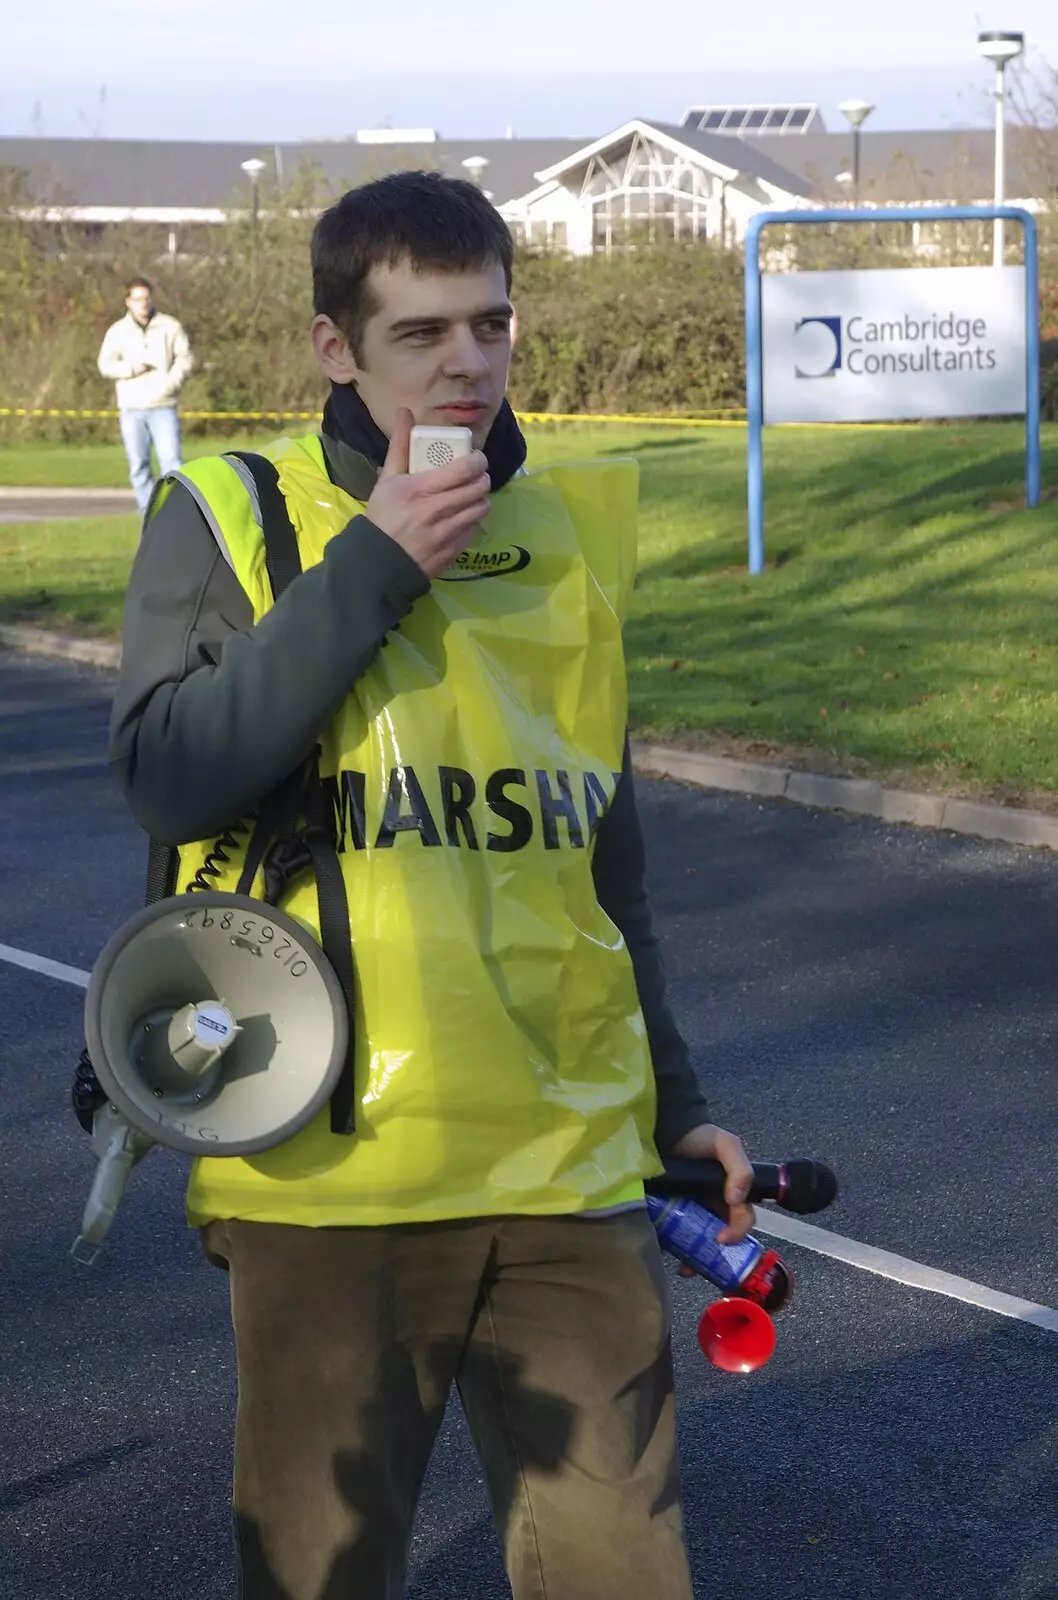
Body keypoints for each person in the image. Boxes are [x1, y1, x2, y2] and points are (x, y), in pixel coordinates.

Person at [104, 171, 755, 1600]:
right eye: (420, 332)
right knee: (318, 1576)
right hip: (330, 1170)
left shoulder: (571, 528)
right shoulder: (228, 514)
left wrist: (678, 1103)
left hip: (568, 1167)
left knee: (620, 1576)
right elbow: (165, 773)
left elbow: (605, 866)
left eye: (491, 323)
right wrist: (376, 562)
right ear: (337, 347)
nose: (466, 359)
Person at [96, 276, 193, 514]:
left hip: (163, 405)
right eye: (138, 299)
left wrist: (170, 383)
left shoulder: (170, 326)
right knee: (139, 465)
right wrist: (129, 369)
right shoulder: (118, 331)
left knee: (172, 462)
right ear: (128, 302)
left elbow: (185, 358)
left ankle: (176, 512)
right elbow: (105, 364)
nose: (143, 303)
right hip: (132, 408)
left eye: (146, 298)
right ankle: (149, 514)